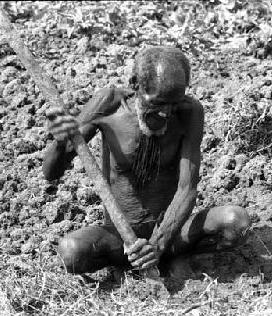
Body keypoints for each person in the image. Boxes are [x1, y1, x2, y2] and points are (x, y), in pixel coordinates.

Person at [43, 47, 251, 276]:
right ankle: (130, 263)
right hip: (119, 238)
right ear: (135, 84)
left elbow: (187, 189)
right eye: (157, 104)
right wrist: (60, 142)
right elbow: (51, 173)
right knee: (71, 253)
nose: (165, 114)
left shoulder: (189, 113)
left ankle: (171, 255)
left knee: (236, 222)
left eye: (174, 104)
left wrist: (158, 245)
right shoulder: (108, 105)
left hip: (172, 233)